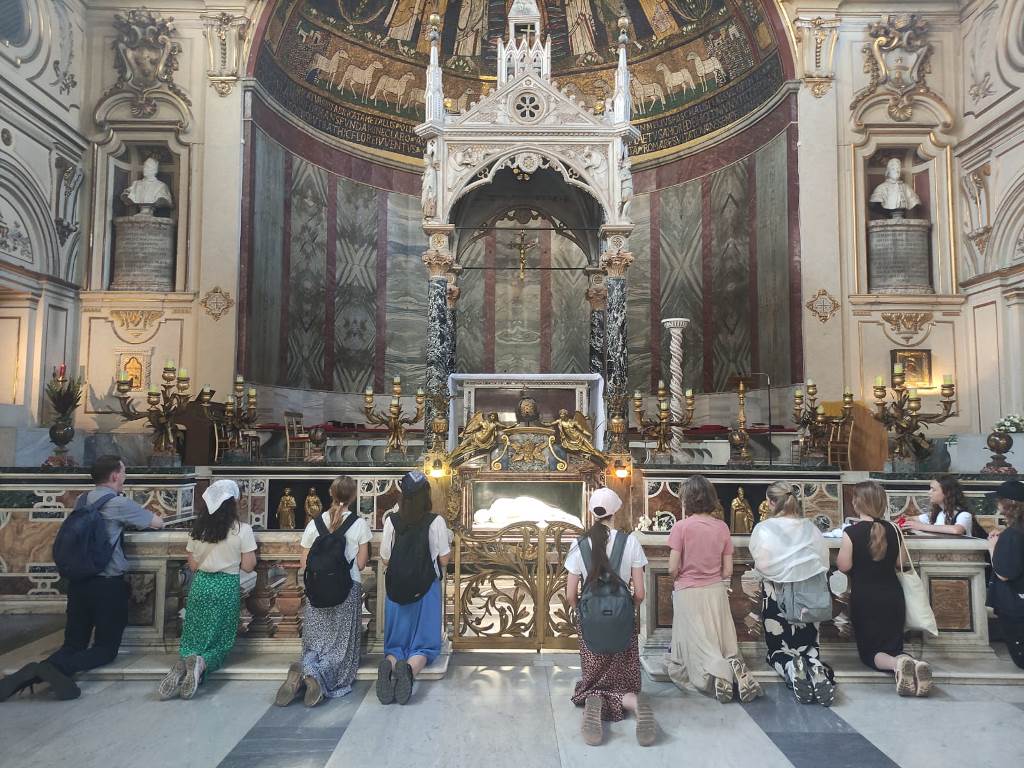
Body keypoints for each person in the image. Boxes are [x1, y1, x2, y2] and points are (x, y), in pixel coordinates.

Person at [0, 455, 164, 702]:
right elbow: (157, 523)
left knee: (73, 644)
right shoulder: (119, 503)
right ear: (115, 475)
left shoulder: (82, 500)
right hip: (107, 586)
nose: (125, 476)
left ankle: (34, 672)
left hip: (79, 583)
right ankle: (51, 669)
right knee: (105, 649)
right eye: (123, 472)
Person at [564, 488, 655, 747]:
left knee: (593, 679)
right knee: (624, 679)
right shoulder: (630, 542)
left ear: (592, 512)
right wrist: (629, 611)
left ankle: (594, 699)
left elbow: (570, 594)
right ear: (615, 512)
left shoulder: (579, 544)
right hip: (623, 617)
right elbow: (640, 592)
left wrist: (582, 613)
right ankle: (633, 701)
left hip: (591, 619)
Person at [665, 475, 762, 703]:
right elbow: (728, 570)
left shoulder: (681, 527)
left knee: (697, 644)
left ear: (687, 500)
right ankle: (733, 665)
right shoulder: (722, 527)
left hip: (688, 592)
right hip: (716, 591)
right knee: (718, 639)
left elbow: (672, 568)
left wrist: (680, 577)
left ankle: (717, 674)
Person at [276, 476, 371, 706]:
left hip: (317, 591)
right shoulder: (359, 524)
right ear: (353, 496)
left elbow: (304, 563)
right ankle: (315, 677)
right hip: (347, 590)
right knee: (340, 649)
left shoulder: (314, 524)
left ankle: (303, 669)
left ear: (330, 494)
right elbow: (361, 564)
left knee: (316, 642)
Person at [159, 479, 256, 700]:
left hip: (201, 584)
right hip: (225, 587)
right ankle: (201, 664)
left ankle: (185, 661)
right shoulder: (242, 530)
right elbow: (248, 566)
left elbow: (193, 565)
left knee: (194, 633)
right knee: (221, 639)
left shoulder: (198, 529)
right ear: (233, 503)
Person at [837, 480, 931, 696]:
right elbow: (900, 563)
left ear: (857, 503)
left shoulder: (851, 532)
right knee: (893, 646)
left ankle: (898, 665)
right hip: (893, 596)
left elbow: (844, 566)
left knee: (871, 652)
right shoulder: (894, 529)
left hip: (866, 598)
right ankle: (912, 663)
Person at [749, 482, 836, 705]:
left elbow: (762, 564)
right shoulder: (811, 528)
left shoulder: (764, 529)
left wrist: (784, 572)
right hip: (809, 597)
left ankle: (789, 666)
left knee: (777, 649)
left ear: (771, 503)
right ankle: (815, 667)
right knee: (809, 647)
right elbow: (823, 562)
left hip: (777, 596)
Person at [377, 471, 450, 705]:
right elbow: (444, 559)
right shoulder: (435, 521)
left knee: (396, 642)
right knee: (424, 645)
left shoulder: (391, 521)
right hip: (426, 588)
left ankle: (389, 664)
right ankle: (409, 670)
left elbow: (385, 558)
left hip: (397, 588)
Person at [987, 480, 1024, 669]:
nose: (997, 505)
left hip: (1015, 605)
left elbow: (1004, 573)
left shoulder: (1013, 534)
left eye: (999, 501)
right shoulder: (1015, 532)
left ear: (1008, 504)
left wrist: (993, 548)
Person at [903, 475, 983, 537]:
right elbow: (914, 519)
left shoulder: (964, 515)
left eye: (933, 489)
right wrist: (906, 520)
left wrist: (921, 526)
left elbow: (957, 530)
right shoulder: (939, 513)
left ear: (947, 493)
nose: (929, 492)